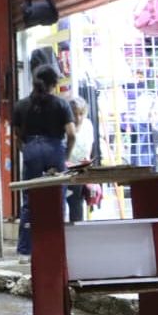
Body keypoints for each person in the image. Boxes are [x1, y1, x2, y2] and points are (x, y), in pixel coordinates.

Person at [12, 65, 76, 261]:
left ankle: (25, 251)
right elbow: (71, 134)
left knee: (30, 202)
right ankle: (56, 248)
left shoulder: (21, 105)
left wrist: (27, 150)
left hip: (31, 150)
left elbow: (16, 135)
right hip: (54, 150)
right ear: (54, 84)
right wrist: (65, 155)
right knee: (57, 199)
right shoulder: (61, 104)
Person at [66, 95, 94, 223]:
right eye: (74, 114)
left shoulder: (88, 125)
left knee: (77, 203)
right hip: (63, 170)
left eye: (81, 114)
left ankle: (77, 232)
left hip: (79, 170)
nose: (78, 118)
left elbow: (88, 150)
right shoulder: (65, 126)